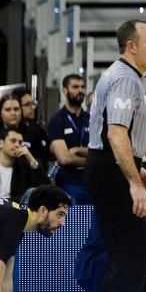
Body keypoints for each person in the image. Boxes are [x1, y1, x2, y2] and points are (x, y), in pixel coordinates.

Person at [74, 20, 146, 292]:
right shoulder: (124, 78)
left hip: (108, 167)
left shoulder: (121, 76)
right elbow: (116, 134)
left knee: (127, 255)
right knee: (135, 256)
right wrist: (133, 182)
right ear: (131, 46)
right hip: (110, 170)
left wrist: (136, 168)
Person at [75, 207, 146, 292]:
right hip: (97, 261)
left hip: (132, 258)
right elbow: (105, 242)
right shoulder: (104, 206)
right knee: (123, 261)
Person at [47, 74, 91, 204]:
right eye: (75, 87)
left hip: (92, 182)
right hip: (69, 183)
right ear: (64, 90)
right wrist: (92, 157)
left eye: (82, 87)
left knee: (92, 224)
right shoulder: (57, 120)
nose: (80, 90)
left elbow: (102, 152)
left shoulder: (91, 119)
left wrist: (77, 150)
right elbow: (64, 158)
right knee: (73, 223)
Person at [0, 128, 49, 203]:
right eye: (13, 141)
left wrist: (30, 158)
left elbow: (45, 187)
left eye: (20, 142)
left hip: (17, 209)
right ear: (0, 143)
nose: (17, 145)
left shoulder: (23, 167)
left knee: (32, 192)